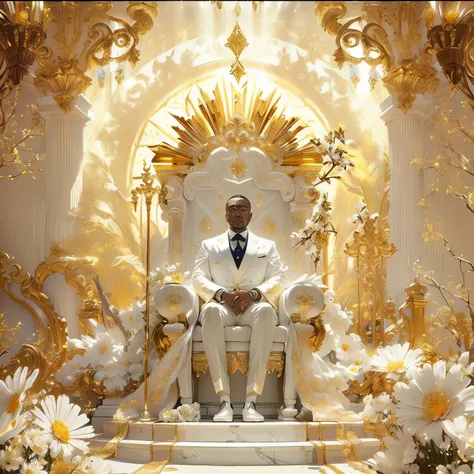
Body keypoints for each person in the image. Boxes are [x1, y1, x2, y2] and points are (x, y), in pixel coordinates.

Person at [192, 195, 287, 422]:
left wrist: (253, 294)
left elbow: (279, 277)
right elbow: (197, 277)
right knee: (210, 312)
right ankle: (223, 400)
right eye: (232, 209)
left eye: (242, 209)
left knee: (266, 311)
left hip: (252, 306)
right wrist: (220, 294)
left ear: (250, 215)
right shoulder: (209, 245)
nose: (237, 213)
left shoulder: (267, 246)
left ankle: (251, 402)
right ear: (225, 215)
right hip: (222, 306)